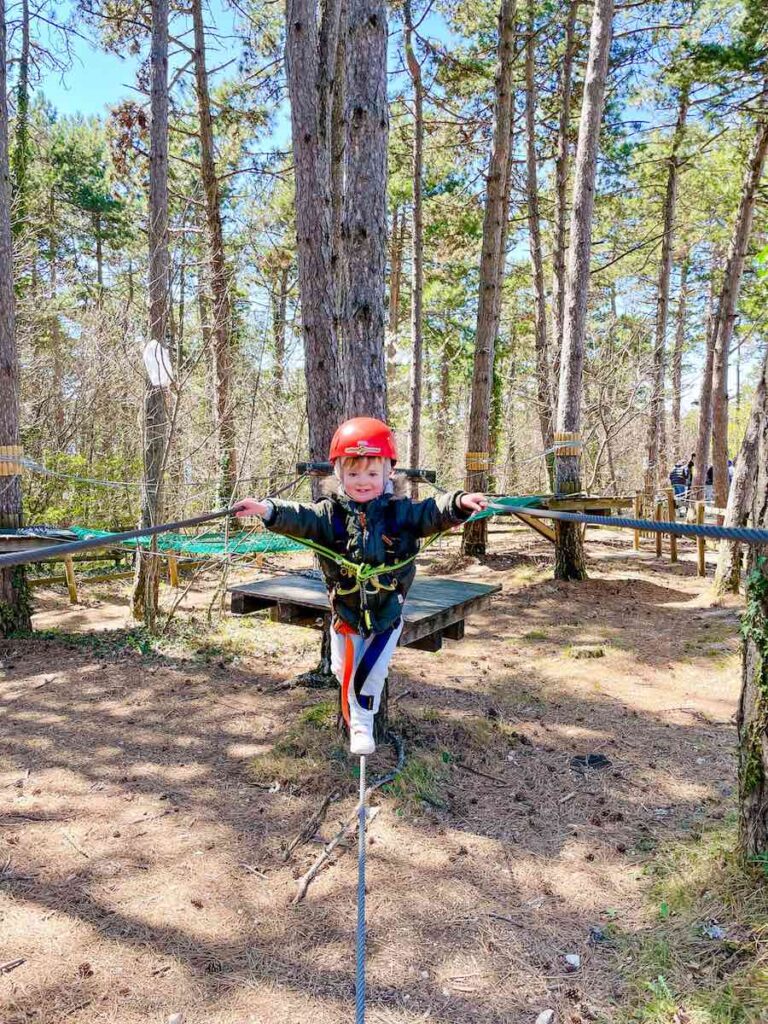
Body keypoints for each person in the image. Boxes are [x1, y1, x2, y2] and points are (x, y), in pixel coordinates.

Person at [234, 417, 487, 756]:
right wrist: (266, 509)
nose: (363, 482)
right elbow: (300, 518)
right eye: (353, 474)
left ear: (388, 476)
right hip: (347, 610)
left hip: (387, 610)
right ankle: (356, 716)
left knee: (374, 670)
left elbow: (431, 512)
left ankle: (362, 723)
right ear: (340, 476)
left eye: (372, 474)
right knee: (343, 669)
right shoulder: (330, 514)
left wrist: (457, 504)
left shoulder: (401, 514)